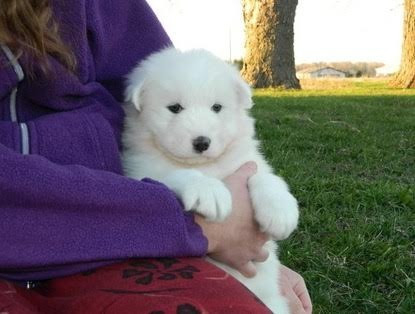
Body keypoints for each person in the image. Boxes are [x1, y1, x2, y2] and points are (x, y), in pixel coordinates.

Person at [0, 0, 312, 313]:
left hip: (159, 250)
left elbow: (254, 179)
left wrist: (259, 211)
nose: (200, 131)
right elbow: (149, 185)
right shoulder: (145, 150)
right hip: (99, 237)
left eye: (217, 108)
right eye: (175, 110)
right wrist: (200, 220)